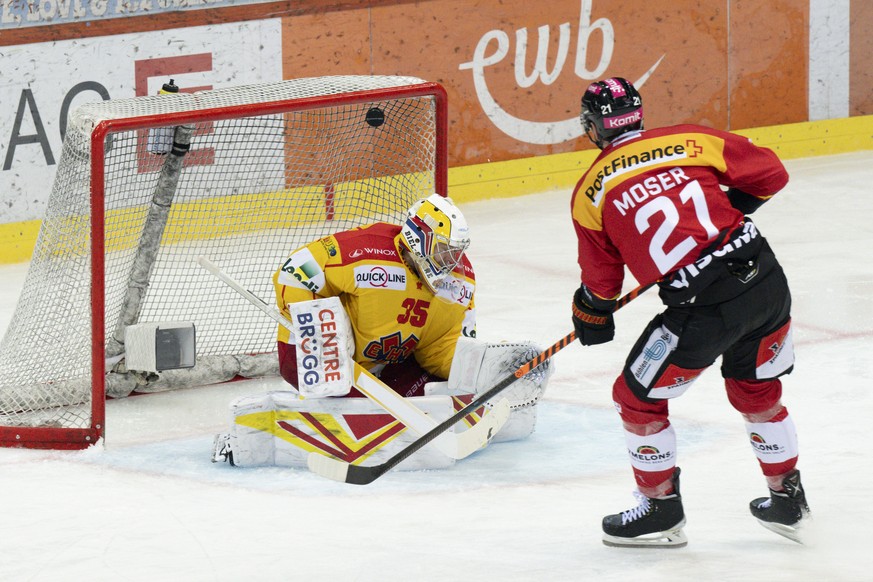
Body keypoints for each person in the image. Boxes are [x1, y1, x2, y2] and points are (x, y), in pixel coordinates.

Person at [570, 77, 809, 547]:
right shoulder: (690, 139)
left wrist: (591, 314)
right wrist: (719, 219)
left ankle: (660, 511)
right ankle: (788, 501)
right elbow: (771, 175)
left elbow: (602, 285)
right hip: (766, 283)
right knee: (755, 388)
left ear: (593, 126)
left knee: (635, 397)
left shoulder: (589, 192)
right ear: (638, 114)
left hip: (705, 308)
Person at [211, 193, 549, 469]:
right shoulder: (365, 251)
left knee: (421, 400)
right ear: (420, 237)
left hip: (385, 369)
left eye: (456, 252)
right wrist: (320, 328)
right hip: (321, 359)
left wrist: (476, 365)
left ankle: (377, 409)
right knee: (354, 399)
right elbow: (295, 271)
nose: (451, 261)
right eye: (444, 249)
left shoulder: (461, 281)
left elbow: (438, 345)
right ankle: (260, 431)